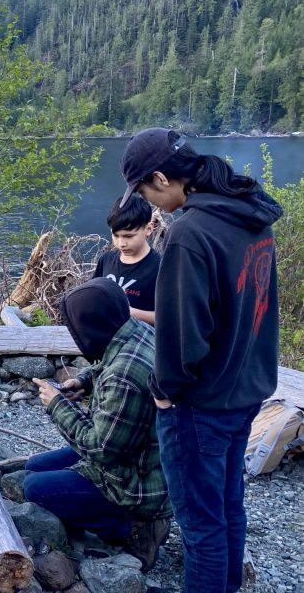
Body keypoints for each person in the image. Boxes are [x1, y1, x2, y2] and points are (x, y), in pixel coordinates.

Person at [119, 127, 282, 592]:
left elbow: (182, 333)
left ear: (160, 177)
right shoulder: (251, 214)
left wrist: (166, 392)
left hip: (202, 403)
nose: (149, 204)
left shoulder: (190, 234)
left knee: (201, 525)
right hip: (247, 388)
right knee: (228, 507)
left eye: (146, 192)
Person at [23, 277, 172, 572]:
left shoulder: (124, 376)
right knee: (34, 466)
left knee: (34, 487)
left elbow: (100, 448)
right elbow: (107, 360)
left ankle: (133, 528)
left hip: (137, 482)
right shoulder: (137, 330)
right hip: (135, 452)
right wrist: (84, 381)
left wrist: (56, 404)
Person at [93, 193, 160, 325]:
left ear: (149, 228)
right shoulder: (106, 260)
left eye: (129, 236)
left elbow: (170, 317)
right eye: (116, 235)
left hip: (141, 341)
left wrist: (126, 311)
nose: (121, 243)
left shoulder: (161, 267)